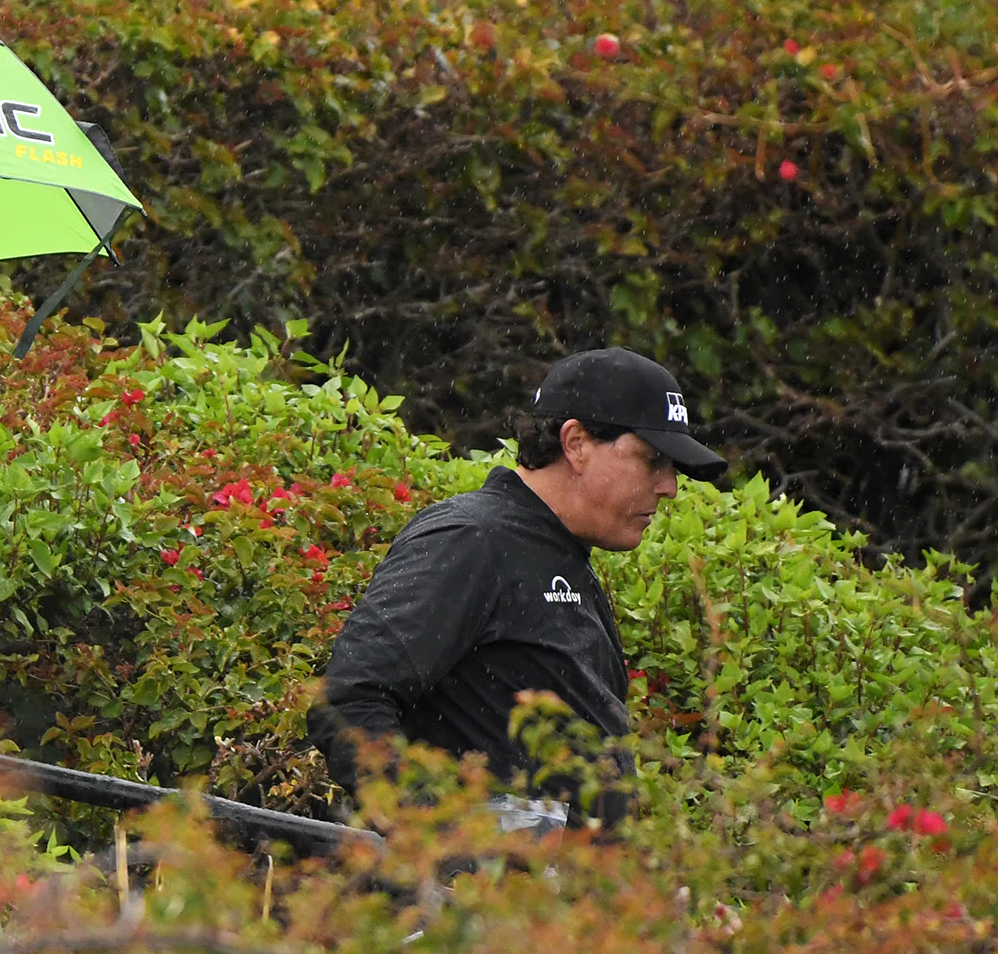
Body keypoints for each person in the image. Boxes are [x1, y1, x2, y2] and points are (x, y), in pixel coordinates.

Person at [306, 347, 727, 830]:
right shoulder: (472, 538)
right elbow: (347, 701)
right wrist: (442, 845)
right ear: (576, 442)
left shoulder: (562, 554)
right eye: (653, 460)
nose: (670, 486)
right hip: (474, 900)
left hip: (559, 901)